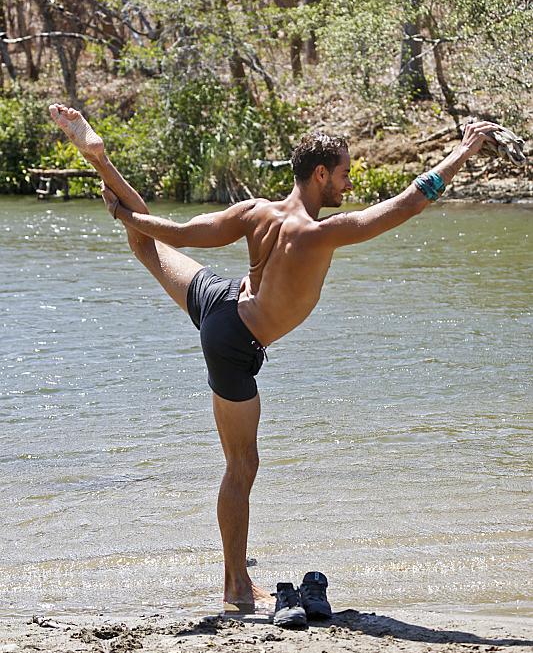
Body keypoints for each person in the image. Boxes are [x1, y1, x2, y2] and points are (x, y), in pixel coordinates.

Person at [48, 103, 498, 613]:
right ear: (321, 174)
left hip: (220, 301)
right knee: (241, 466)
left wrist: (129, 217)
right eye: (345, 174)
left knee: (146, 248)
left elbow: (180, 231)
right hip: (234, 345)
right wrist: (462, 151)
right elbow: (408, 203)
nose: (349, 186)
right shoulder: (320, 233)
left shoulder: (256, 211)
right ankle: (236, 588)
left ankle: (100, 158)